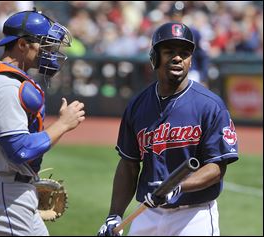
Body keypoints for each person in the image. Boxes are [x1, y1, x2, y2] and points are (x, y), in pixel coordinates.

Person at [97, 22, 238, 236]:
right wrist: (114, 214)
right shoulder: (138, 106)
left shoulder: (209, 105)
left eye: (184, 53)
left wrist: (179, 186)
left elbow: (217, 168)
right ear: (155, 57)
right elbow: (129, 164)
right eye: (169, 51)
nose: (178, 58)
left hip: (194, 216)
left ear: (191, 59)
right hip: (147, 212)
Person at [0, 9, 85, 236]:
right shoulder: (6, 86)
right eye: (45, 45)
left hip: (0, 189)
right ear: (22, 44)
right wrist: (64, 124)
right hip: (3, 195)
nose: (50, 53)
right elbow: (20, 150)